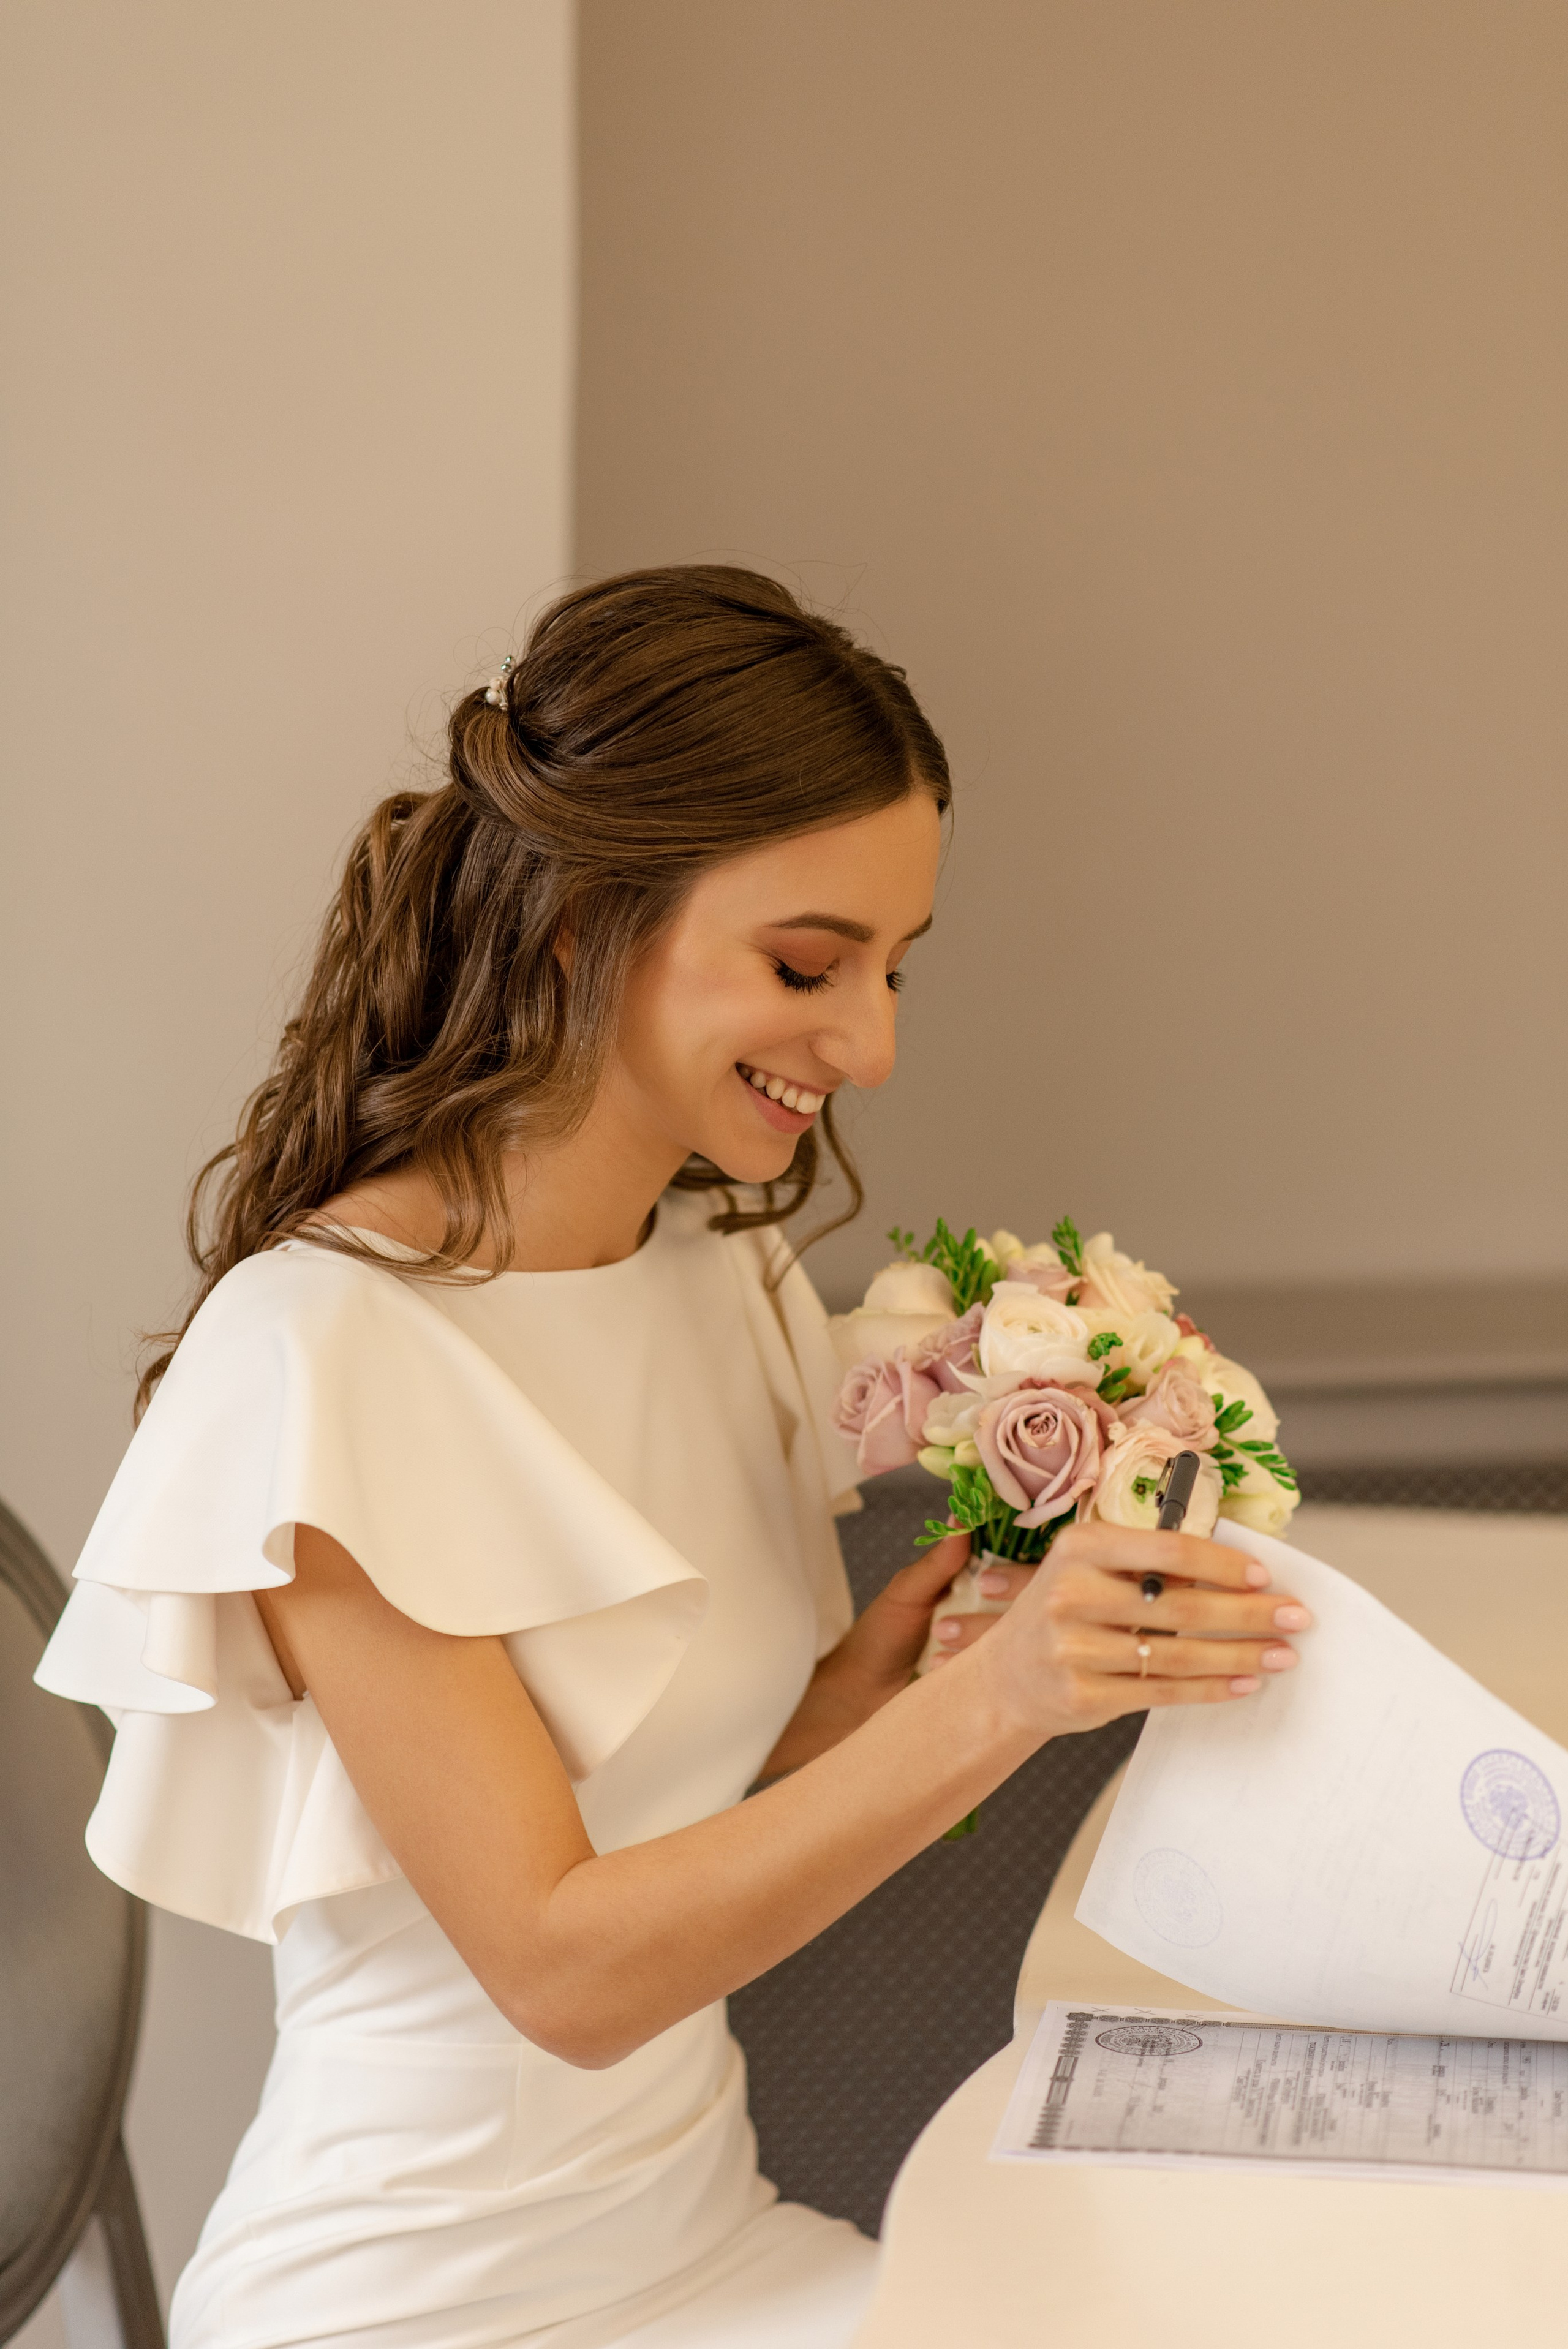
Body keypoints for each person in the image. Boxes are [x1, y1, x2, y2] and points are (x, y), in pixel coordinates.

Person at [37, 567, 1307, 2349]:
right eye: (807, 964)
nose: (867, 1044)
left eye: (890, 968)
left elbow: (688, 1835)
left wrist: (896, 1691)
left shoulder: (723, 1279)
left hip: (706, 2253)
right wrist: (1000, 1701)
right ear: (580, 923)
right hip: (411, 2309)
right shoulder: (322, 1356)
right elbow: (564, 1967)